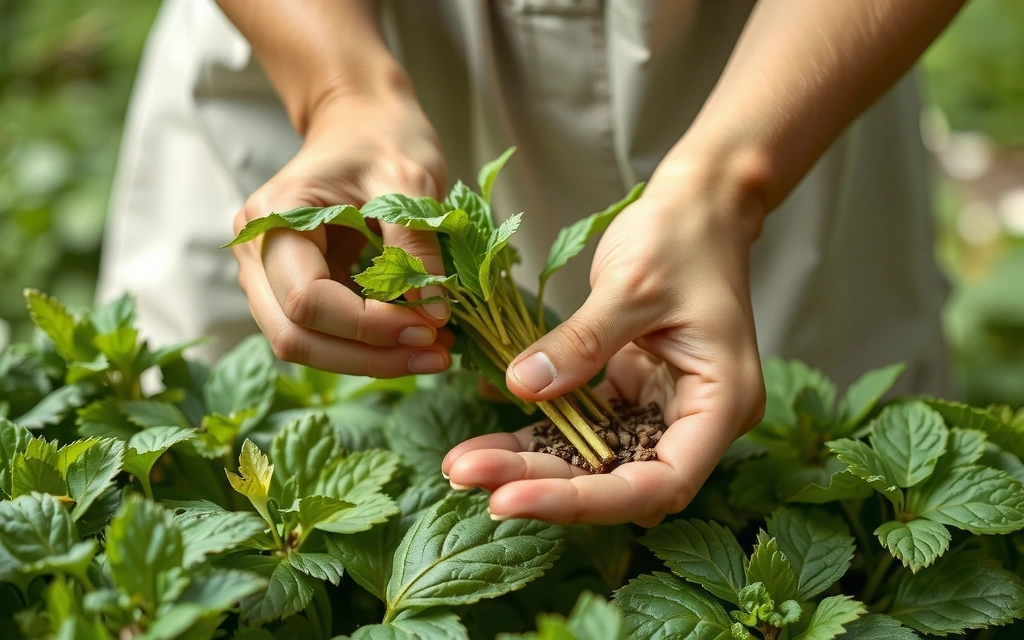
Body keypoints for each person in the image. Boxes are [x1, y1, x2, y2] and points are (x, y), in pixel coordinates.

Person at [97, 0, 965, 527]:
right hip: (315, 31)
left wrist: (729, 184)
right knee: (194, 467)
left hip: (781, 67)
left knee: (806, 483)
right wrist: (336, 90)